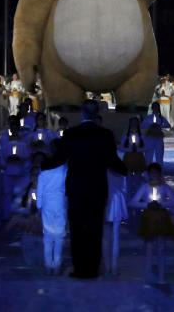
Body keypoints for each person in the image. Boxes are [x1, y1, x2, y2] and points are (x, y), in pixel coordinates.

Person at [44, 100, 128, 279]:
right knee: (95, 229)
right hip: (97, 188)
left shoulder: (71, 134)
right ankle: (92, 269)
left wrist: (43, 164)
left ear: (82, 114)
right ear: (97, 113)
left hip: (76, 188)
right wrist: (125, 169)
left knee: (77, 229)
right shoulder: (105, 134)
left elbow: (59, 158)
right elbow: (113, 161)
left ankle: (80, 269)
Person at [130, 163, 174, 284]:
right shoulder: (144, 187)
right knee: (149, 248)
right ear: (148, 174)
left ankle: (161, 276)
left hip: (161, 219)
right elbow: (133, 203)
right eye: (152, 173)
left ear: (160, 174)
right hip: (149, 219)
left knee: (161, 248)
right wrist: (146, 205)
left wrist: (161, 204)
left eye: (156, 173)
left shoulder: (164, 187)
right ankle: (148, 275)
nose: (154, 176)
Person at [36, 139, 67, 276]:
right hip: (60, 203)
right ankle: (57, 266)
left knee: (48, 236)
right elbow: (67, 188)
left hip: (47, 204)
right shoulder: (64, 168)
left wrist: (39, 206)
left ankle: (48, 265)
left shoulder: (44, 168)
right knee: (59, 237)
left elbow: (40, 190)